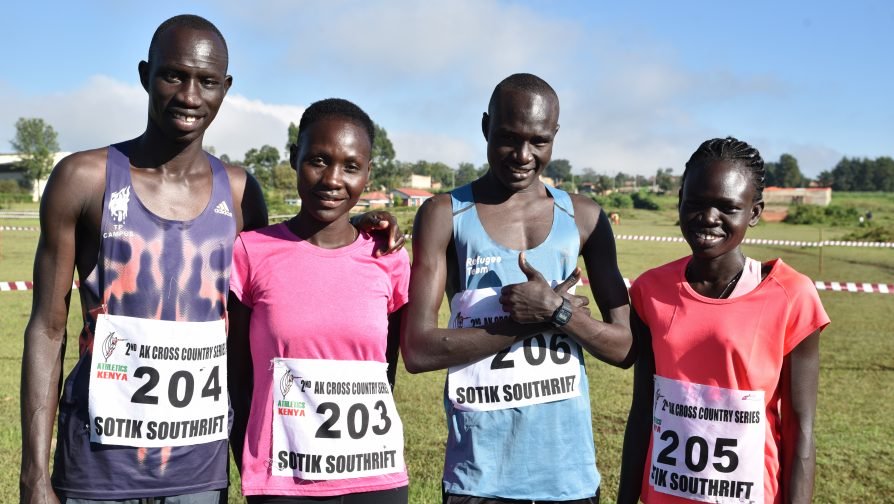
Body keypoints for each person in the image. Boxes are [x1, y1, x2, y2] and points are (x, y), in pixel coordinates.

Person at [20, 15, 401, 503]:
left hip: (201, 473)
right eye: (173, 75)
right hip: (97, 467)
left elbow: (289, 266)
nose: (189, 96)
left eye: (207, 81)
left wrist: (368, 223)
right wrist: (33, 477)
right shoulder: (83, 178)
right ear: (144, 75)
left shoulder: (240, 192)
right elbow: (47, 329)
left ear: (226, 88)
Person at [401, 73, 633, 503]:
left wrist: (558, 312)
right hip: (479, 478)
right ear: (486, 126)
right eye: (508, 137)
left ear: (555, 137)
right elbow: (417, 350)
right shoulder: (445, 214)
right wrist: (531, 319)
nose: (523, 155)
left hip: (569, 477)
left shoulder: (584, 218)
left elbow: (624, 348)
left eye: (539, 141)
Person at [617, 137, 829, 504]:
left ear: (755, 212)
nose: (708, 218)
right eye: (696, 203)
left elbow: (800, 430)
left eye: (727, 207)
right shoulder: (650, 290)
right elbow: (642, 413)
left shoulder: (792, 296)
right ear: (680, 198)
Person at [227, 98, 410, 504]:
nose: (332, 179)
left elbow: (386, 373)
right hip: (283, 483)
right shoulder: (251, 252)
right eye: (318, 160)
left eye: (350, 166)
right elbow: (236, 378)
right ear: (295, 158)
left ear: (367, 173)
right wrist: (254, 462)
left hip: (375, 478)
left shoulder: (389, 258)